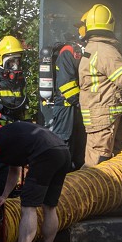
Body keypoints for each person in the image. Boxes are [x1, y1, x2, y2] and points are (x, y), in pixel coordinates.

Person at [77, 4, 122, 166]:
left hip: (100, 113)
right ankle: (91, 191)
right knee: (98, 163)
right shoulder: (105, 51)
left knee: (109, 162)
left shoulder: (92, 48)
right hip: (105, 115)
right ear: (110, 24)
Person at [39, 20, 86, 170]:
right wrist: (80, 101)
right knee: (63, 144)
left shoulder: (82, 51)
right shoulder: (68, 51)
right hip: (66, 107)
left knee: (78, 144)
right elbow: (66, 83)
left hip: (76, 106)